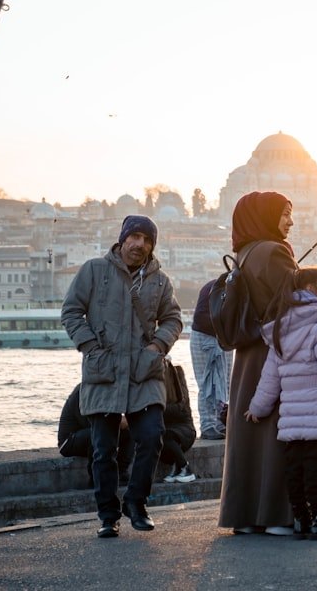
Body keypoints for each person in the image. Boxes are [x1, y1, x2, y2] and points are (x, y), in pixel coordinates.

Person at [61, 214, 183, 539]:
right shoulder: (93, 271)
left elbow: (172, 317)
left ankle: (136, 503)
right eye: (136, 237)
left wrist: (158, 346)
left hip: (145, 371)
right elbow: (71, 311)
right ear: (123, 239)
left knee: (152, 435)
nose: (140, 245)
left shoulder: (160, 281)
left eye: (147, 240)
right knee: (103, 449)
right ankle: (107, 515)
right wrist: (90, 347)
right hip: (104, 371)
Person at [245, 266, 317, 540]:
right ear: (311, 289)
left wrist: (258, 407)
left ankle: (302, 519)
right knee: (315, 471)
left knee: (294, 470)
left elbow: (270, 377)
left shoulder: (281, 327)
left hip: (291, 419)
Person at [218, 191, 299, 536]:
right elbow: (293, 303)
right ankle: (276, 515)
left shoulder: (244, 253)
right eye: (284, 214)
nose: (290, 222)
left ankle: (245, 516)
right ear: (265, 216)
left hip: (248, 357)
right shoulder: (274, 252)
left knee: (248, 435)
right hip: (275, 353)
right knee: (275, 431)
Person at [58, 383, 134, 487]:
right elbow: (90, 422)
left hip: (90, 436)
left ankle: (120, 472)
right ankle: (95, 479)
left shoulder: (107, 392)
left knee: (130, 431)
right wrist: (118, 422)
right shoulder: (82, 392)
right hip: (69, 441)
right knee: (98, 433)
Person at [190, 279, 232, 440]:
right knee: (207, 383)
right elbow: (201, 318)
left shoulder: (220, 286)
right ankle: (208, 425)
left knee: (224, 383)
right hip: (205, 338)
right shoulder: (217, 287)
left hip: (223, 339)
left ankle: (220, 422)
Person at [160, 371, 198, 484]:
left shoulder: (176, 374)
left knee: (166, 435)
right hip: (168, 427)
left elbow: (182, 407)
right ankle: (177, 468)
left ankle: (185, 468)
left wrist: (158, 409)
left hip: (184, 428)